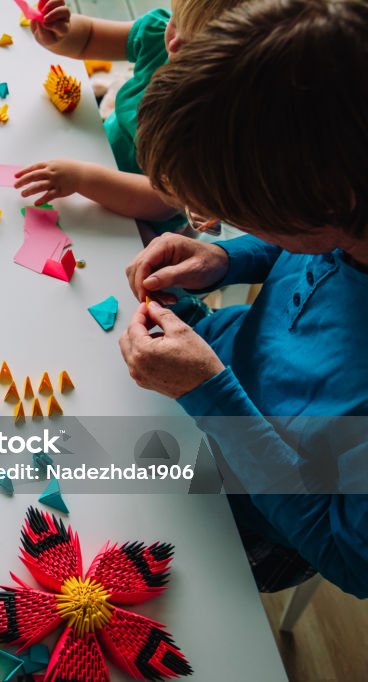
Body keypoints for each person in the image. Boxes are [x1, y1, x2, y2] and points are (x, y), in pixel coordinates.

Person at [118, 0, 368, 597]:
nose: (222, 224)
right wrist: (231, 256)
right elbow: (315, 245)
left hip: (248, 523)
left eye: (236, 214)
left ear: (322, 204)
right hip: (200, 386)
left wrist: (211, 394)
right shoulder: (345, 155)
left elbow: (348, 557)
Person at [14, 0, 247, 233]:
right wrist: (62, 33)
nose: (174, 43)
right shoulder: (159, 35)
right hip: (98, 154)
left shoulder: (214, 122)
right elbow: (90, 37)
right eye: (176, 22)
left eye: (196, 46)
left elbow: (162, 201)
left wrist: (82, 178)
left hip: (144, 217)